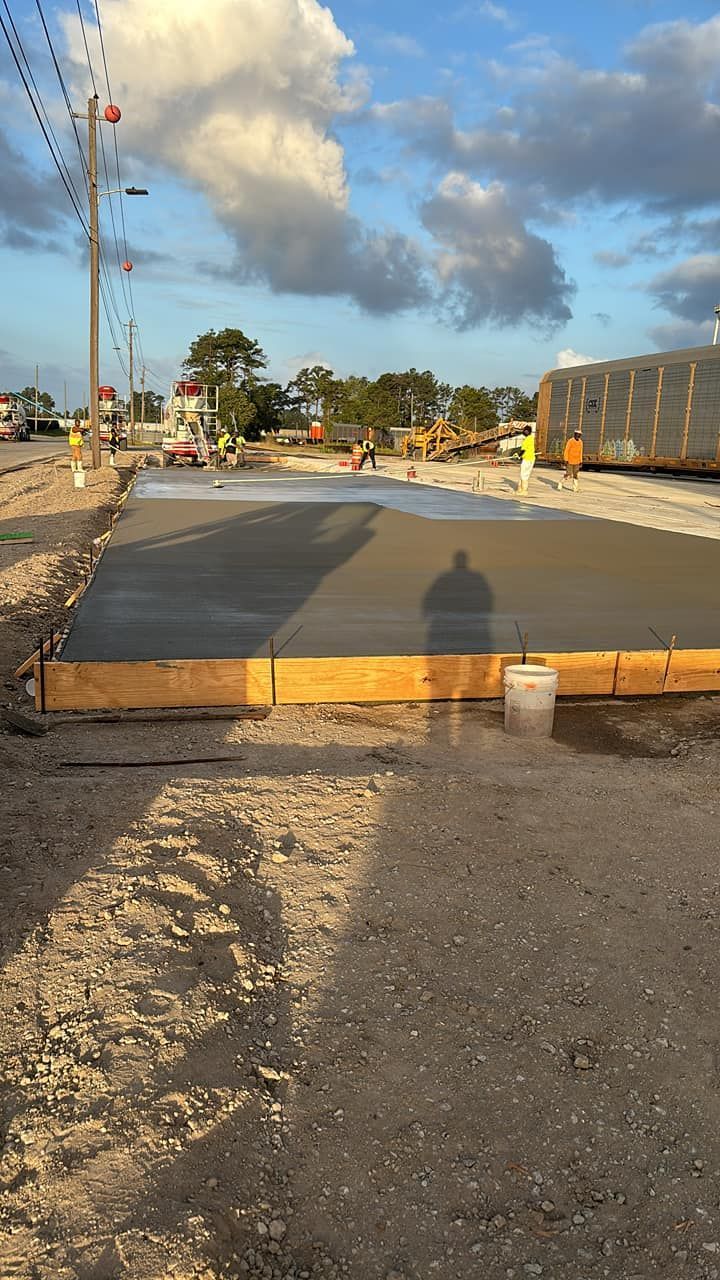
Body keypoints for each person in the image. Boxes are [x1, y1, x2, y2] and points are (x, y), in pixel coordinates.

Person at [517, 425, 535, 496]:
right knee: (526, 474)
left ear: (528, 432)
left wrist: (519, 455)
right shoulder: (531, 438)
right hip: (531, 458)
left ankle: (524, 491)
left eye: (525, 431)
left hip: (527, 458)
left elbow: (523, 450)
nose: (524, 432)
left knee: (523, 474)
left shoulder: (527, 439)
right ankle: (520, 489)